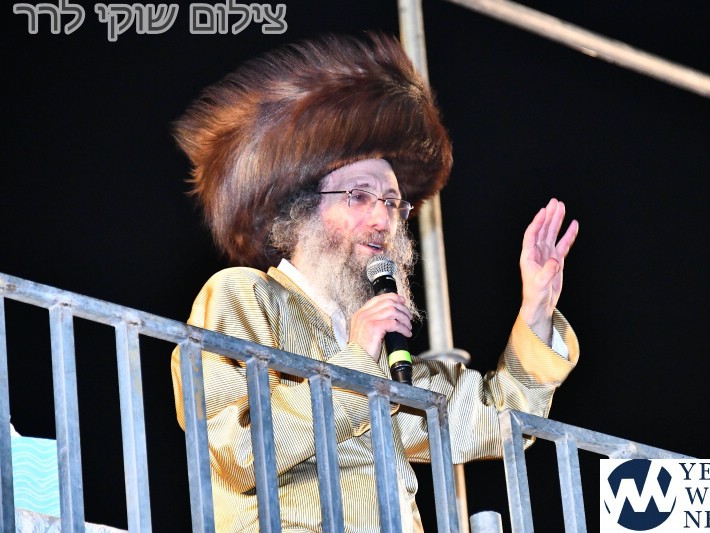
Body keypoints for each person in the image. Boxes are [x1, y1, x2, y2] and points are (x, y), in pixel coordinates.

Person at [170, 31, 580, 532]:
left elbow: (501, 420)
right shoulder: (243, 295)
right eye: (359, 196)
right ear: (303, 212)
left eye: (391, 202)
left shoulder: (391, 361)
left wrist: (536, 309)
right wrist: (356, 364)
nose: (383, 219)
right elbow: (235, 451)